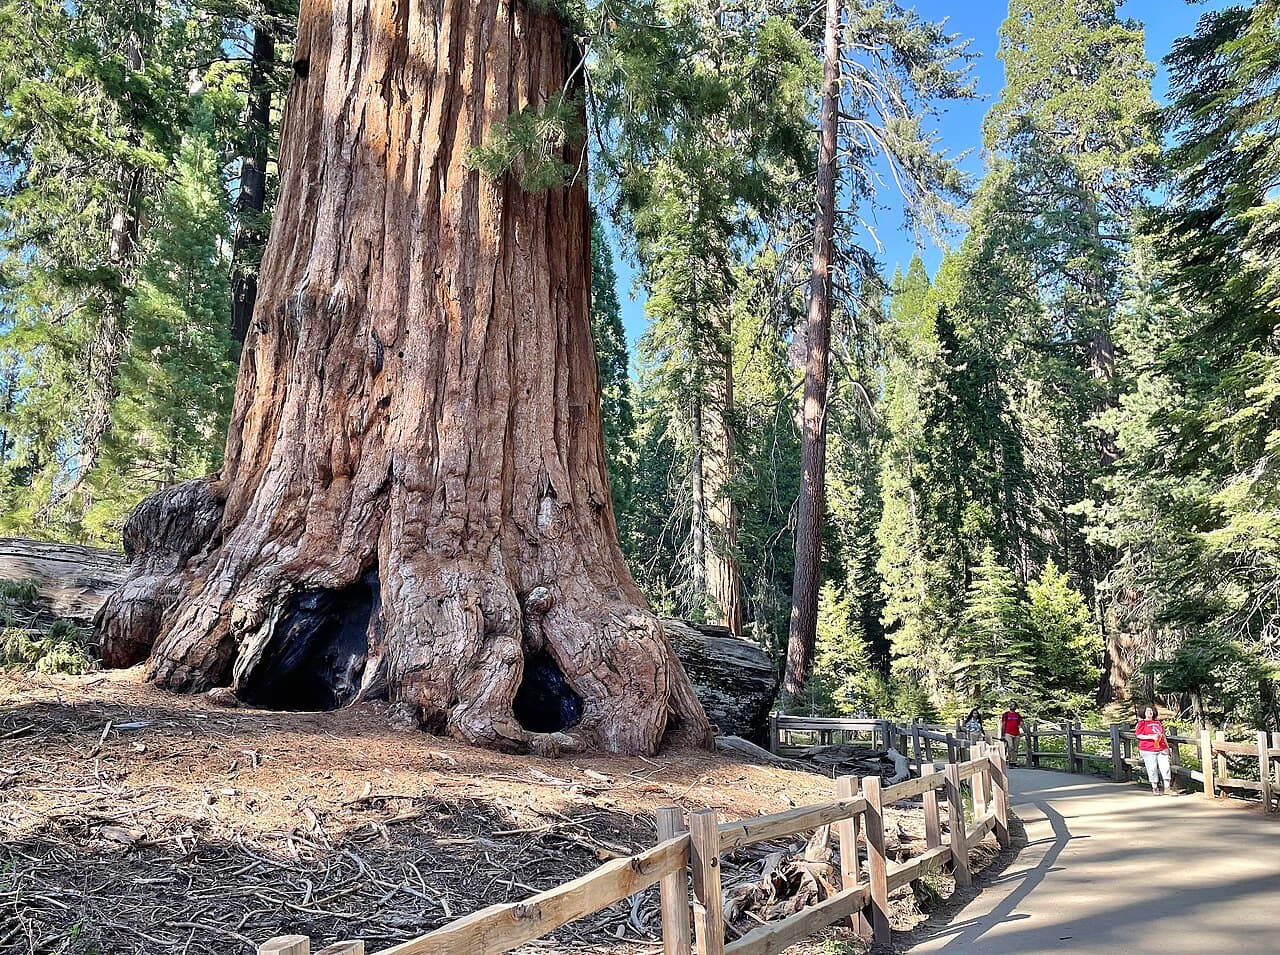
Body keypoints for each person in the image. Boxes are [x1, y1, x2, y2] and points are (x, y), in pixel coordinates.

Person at [1135, 704, 1173, 795]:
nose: (1150, 712)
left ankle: (1167, 788)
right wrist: (1151, 737)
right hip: (1148, 749)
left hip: (1161, 748)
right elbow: (1138, 735)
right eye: (1147, 711)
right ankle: (1155, 787)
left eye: (1151, 711)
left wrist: (1168, 747)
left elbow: (1163, 735)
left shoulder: (1158, 723)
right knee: (1152, 768)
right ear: (1143, 713)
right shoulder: (1141, 723)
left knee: (1166, 767)